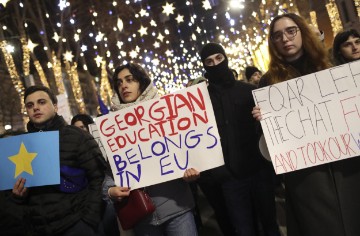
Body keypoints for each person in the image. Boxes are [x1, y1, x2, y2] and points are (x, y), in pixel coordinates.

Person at [252, 13, 360, 236]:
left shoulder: (331, 68)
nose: (285, 38)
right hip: (306, 180)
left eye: (291, 31)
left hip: (348, 170)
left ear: (302, 32)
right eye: (277, 35)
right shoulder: (268, 82)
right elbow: (267, 152)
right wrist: (265, 125)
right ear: (273, 43)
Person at [103, 63, 199, 236]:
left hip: (176, 208)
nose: (123, 85)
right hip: (143, 218)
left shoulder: (165, 113)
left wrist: (192, 171)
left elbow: (187, 152)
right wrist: (110, 190)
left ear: (141, 82)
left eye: (129, 80)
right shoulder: (112, 127)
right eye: (119, 83)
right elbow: (111, 170)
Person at [199, 42, 280, 236]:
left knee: (270, 225)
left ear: (225, 58)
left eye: (219, 58)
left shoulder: (247, 90)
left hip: (259, 170)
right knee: (244, 229)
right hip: (230, 178)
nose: (215, 64)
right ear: (204, 66)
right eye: (209, 61)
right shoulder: (202, 101)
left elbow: (264, 127)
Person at [11, 85, 106, 236]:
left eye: (41, 102)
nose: (35, 108)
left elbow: (98, 177)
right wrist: (18, 196)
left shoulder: (77, 136)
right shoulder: (20, 146)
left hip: (76, 225)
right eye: (30, 105)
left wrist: (88, 220)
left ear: (55, 106)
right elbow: (20, 194)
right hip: (40, 229)